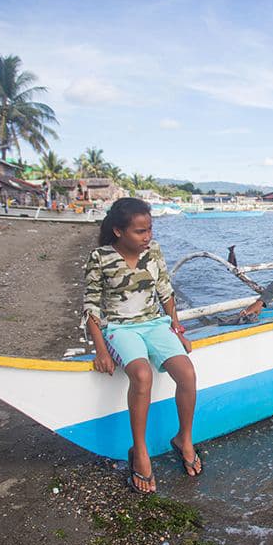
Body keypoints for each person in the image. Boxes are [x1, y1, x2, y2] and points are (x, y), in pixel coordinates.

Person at [83, 197, 200, 493]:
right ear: (119, 231)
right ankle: (140, 451)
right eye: (139, 231)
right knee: (142, 374)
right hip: (118, 328)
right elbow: (91, 306)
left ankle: (184, 439)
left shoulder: (154, 251)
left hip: (154, 324)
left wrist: (177, 329)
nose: (147, 236)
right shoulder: (100, 257)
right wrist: (101, 351)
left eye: (149, 229)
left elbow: (165, 292)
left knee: (187, 373)